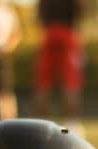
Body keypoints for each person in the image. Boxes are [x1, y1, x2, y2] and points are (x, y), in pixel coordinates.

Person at [34, 0, 87, 136]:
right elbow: (83, 11)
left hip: (48, 34)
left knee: (43, 84)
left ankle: (43, 125)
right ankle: (71, 124)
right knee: (71, 84)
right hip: (68, 34)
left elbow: (39, 13)